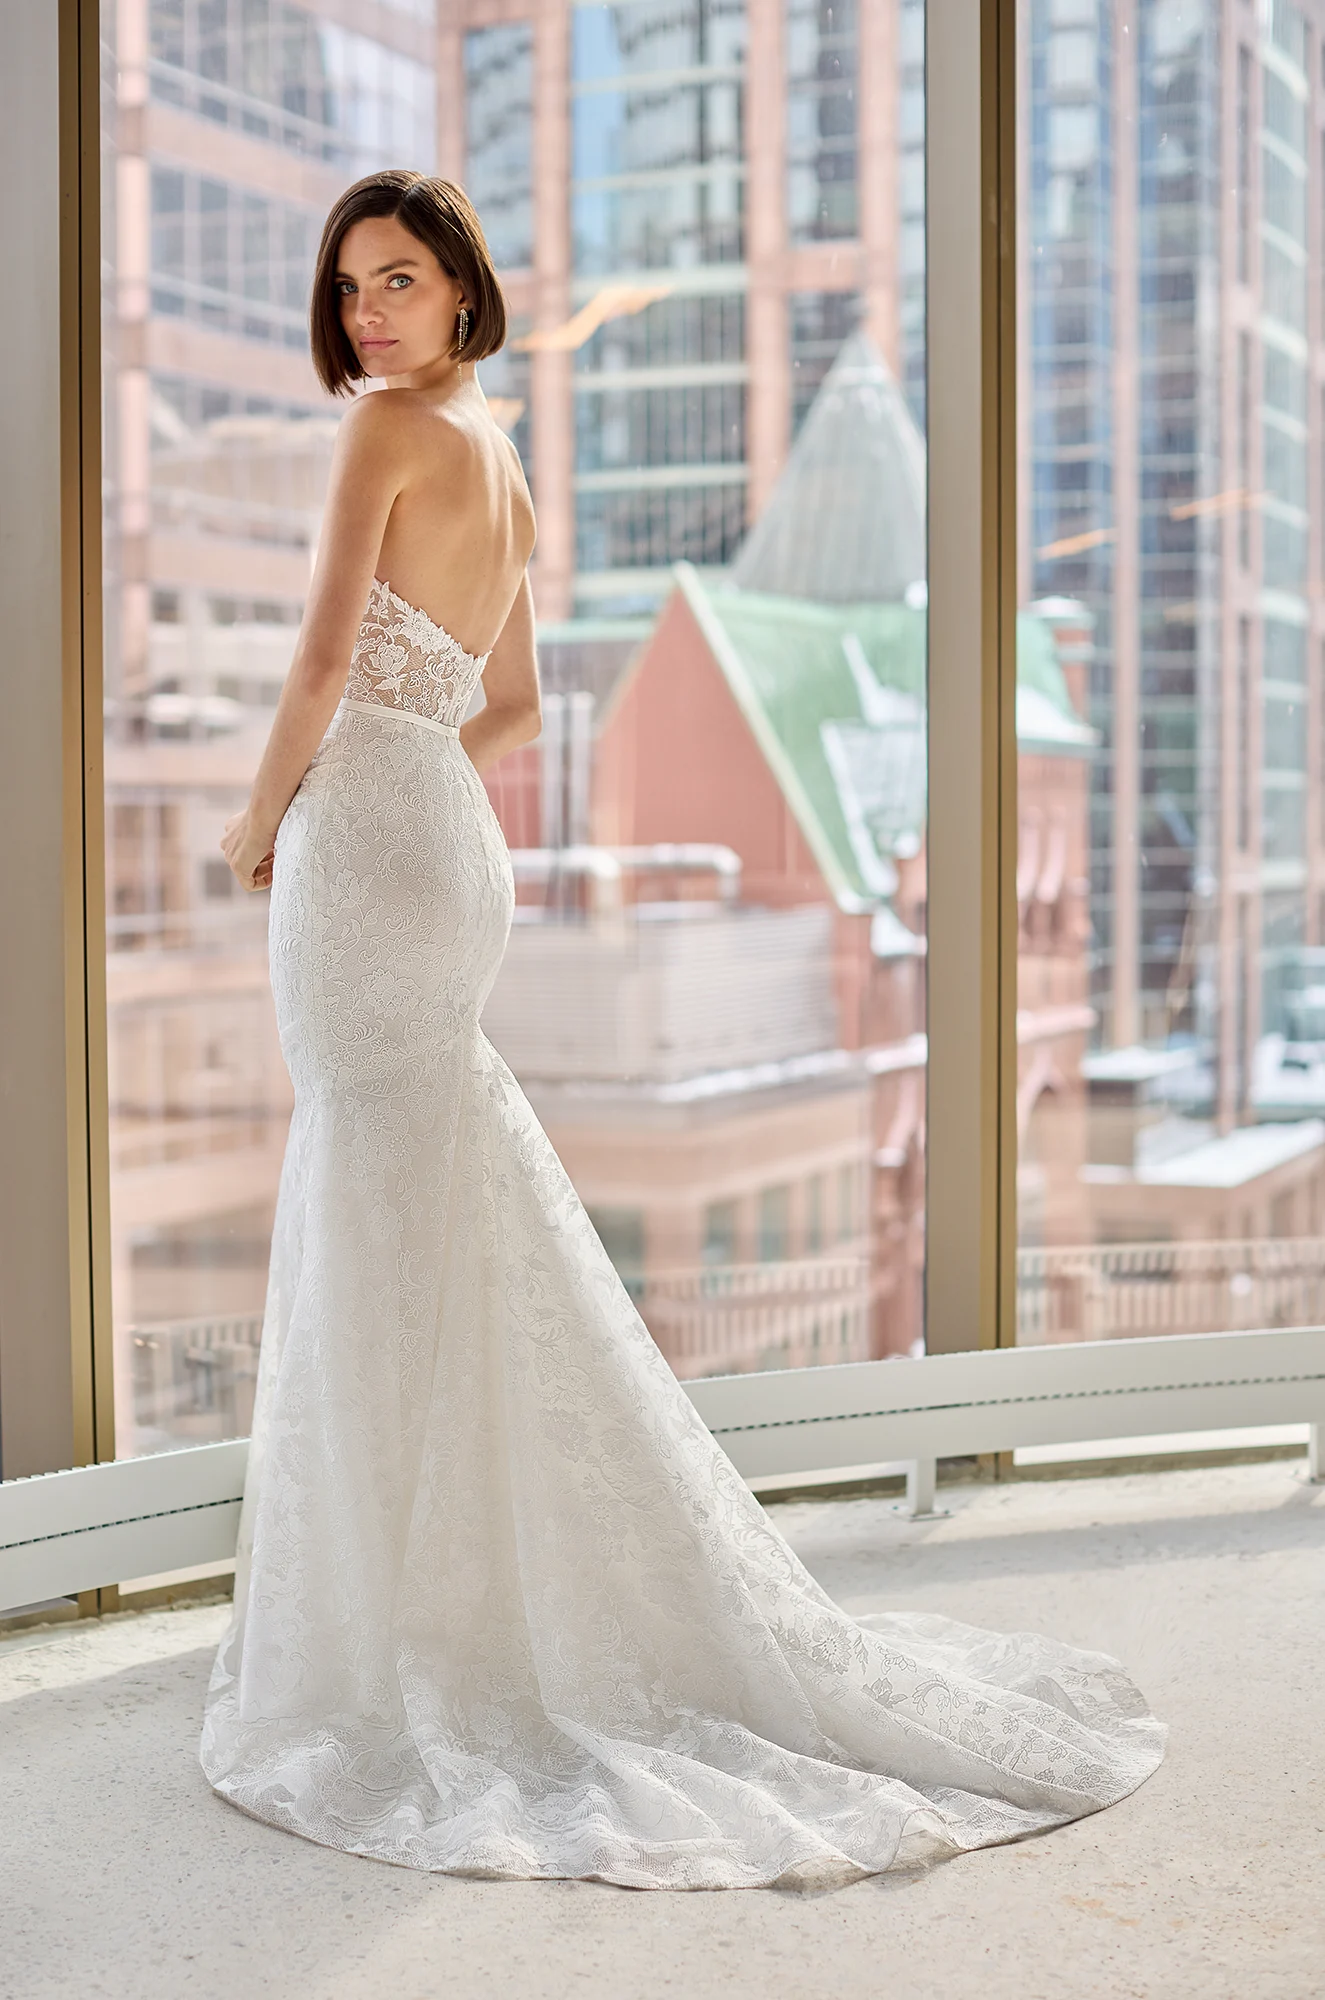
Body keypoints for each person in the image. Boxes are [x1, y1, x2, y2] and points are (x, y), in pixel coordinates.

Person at [201, 169, 1165, 1892]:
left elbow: (313, 664)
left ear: (462, 292)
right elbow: (504, 702)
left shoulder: (385, 440)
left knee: (369, 1182)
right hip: (447, 844)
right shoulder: (498, 461)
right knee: (428, 1185)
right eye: (350, 287)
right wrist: (410, 781)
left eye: (400, 281)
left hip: (366, 847)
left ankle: (381, 1633)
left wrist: (261, 819)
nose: (368, 314)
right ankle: (446, 1595)